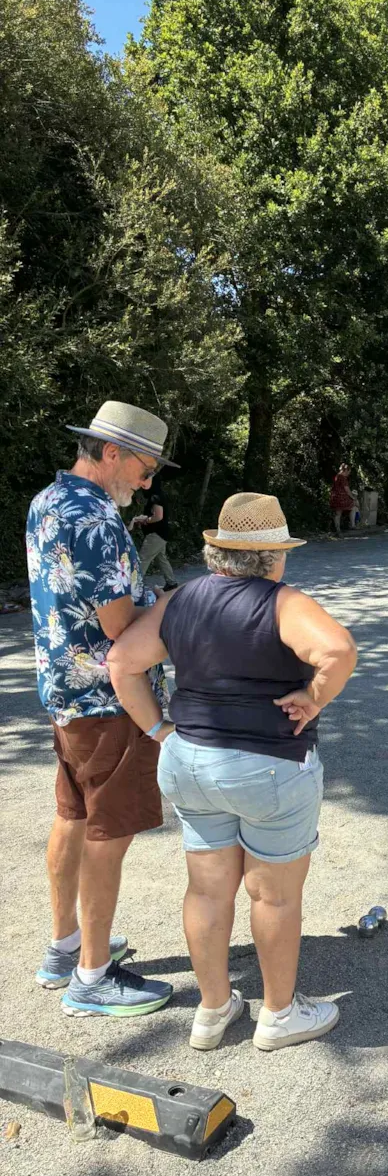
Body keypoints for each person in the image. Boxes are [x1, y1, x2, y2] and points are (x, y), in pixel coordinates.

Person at [108, 492, 358, 1052]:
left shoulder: (180, 600)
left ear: (219, 550)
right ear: (273, 557)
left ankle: (213, 1009)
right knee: (273, 895)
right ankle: (278, 1015)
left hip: (190, 760)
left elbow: (122, 662)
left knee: (207, 888)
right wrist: (313, 698)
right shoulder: (282, 602)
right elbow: (338, 650)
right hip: (269, 766)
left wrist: (155, 729)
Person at [26, 400, 176, 1017]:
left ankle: (64, 948)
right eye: (144, 469)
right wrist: (172, 605)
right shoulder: (95, 517)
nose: (147, 483)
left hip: (65, 690)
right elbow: (120, 624)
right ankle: (92, 977)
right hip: (108, 697)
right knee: (106, 832)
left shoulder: (47, 501)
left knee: (73, 814)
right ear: (111, 452)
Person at [131, 478, 178, 591]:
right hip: (162, 534)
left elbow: (158, 516)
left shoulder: (155, 497)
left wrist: (145, 520)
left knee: (143, 558)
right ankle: (171, 582)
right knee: (161, 558)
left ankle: (133, 587)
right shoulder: (158, 495)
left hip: (156, 534)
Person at [329, 464, 358, 535]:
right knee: (354, 506)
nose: (349, 474)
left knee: (338, 513)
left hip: (334, 498)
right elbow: (347, 490)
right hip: (342, 498)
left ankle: (338, 529)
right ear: (346, 470)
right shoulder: (343, 478)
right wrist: (353, 497)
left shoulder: (337, 476)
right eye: (349, 472)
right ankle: (352, 525)